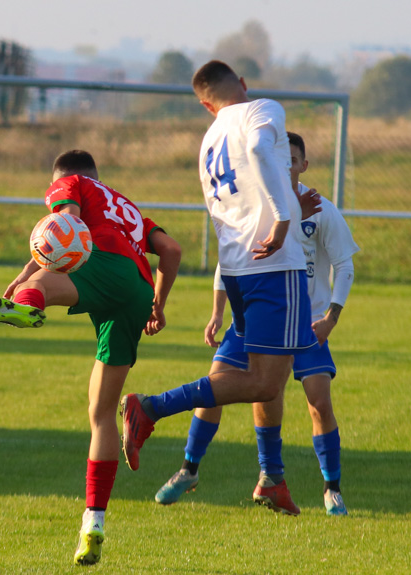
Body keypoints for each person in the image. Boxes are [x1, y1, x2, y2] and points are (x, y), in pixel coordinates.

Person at [0, 150, 182, 565]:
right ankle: (93, 525)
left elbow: (64, 224)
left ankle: (32, 306)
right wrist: (157, 305)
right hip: (137, 290)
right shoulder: (128, 208)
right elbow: (171, 250)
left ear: (63, 177)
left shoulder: (71, 184)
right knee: (102, 413)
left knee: (45, 288)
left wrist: (30, 281)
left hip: (102, 266)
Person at [119, 61, 318, 481]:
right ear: (243, 84)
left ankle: (272, 478)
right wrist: (284, 218)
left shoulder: (209, 139)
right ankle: (151, 406)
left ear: (207, 106)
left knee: (256, 376)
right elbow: (262, 151)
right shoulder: (262, 109)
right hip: (275, 264)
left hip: (236, 268)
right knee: (265, 383)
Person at [154, 132, 360, 516]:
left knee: (318, 401)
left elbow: (345, 264)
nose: (284, 166)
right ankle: (189, 469)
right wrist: (218, 312)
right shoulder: (258, 209)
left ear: (303, 165)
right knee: (218, 383)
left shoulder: (319, 208)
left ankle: (332, 490)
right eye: (278, 159)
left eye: (292, 159)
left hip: (308, 321)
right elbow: (229, 260)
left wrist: (331, 317)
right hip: (256, 317)